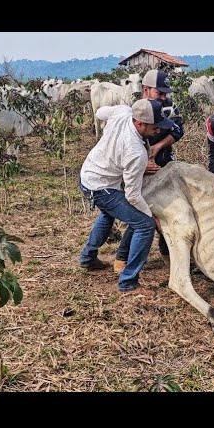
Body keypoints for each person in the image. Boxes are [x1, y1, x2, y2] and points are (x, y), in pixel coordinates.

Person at [78, 98, 174, 292]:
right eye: (155, 127)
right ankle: (128, 282)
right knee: (144, 226)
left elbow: (99, 112)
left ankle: (88, 258)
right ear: (139, 123)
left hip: (89, 173)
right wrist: (151, 215)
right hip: (102, 187)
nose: (159, 130)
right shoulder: (136, 153)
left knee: (107, 213)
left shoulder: (122, 112)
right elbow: (132, 195)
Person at [113, 69, 185, 273]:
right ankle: (122, 258)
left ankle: (168, 255)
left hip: (163, 166)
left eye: (165, 93)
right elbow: (125, 144)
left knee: (167, 210)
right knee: (142, 214)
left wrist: (159, 146)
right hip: (139, 170)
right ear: (145, 90)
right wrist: (142, 163)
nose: (164, 97)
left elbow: (178, 130)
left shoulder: (170, 107)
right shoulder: (133, 109)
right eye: (159, 93)